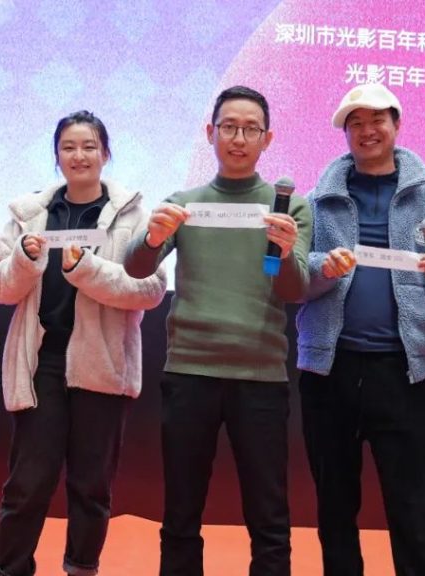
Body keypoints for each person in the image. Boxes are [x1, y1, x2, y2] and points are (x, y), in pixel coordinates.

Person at [124, 85, 312, 576]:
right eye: (229, 127)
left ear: (268, 139)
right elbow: (136, 267)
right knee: (181, 513)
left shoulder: (289, 207)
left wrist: (284, 253)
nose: (239, 138)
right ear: (210, 132)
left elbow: (295, 290)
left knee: (269, 517)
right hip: (190, 371)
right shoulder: (184, 203)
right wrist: (152, 237)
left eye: (251, 129)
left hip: (260, 376)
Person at [295, 82, 425, 576]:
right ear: (345, 133)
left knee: (414, 501)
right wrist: (322, 268)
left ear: (397, 125)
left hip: (402, 371)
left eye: (377, 120)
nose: (367, 130)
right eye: (355, 123)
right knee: (334, 502)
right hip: (329, 370)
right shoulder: (318, 201)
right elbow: (294, 279)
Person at [0, 110, 167, 576]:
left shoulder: (133, 215)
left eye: (89, 146)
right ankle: (10, 568)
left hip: (102, 363)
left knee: (91, 486)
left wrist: (86, 270)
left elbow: (150, 290)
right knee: (28, 482)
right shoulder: (29, 215)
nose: (79, 155)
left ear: (105, 154)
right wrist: (24, 261)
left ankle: (81, 568)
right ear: (56, 156)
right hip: (41, 361)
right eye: (68, 147)